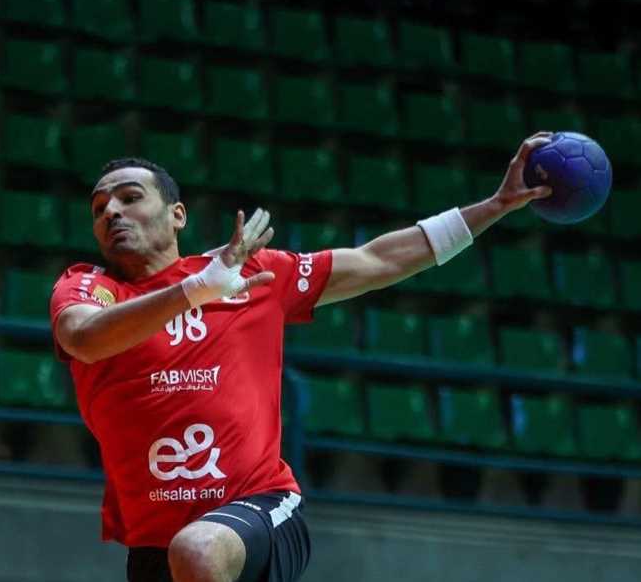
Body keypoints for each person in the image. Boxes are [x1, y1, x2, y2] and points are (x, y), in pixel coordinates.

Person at [49, 133, 555, 581]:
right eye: (99, 208)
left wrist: (495, 205)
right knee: (190, 555)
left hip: (256, 507)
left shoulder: (251, 274)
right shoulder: (90, 288)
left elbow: (377, 260)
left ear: (177, 214)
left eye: (130, 197)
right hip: (153, 543)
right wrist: (197, 289)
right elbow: (83, 337)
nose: (111, 212)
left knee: (198, 551)